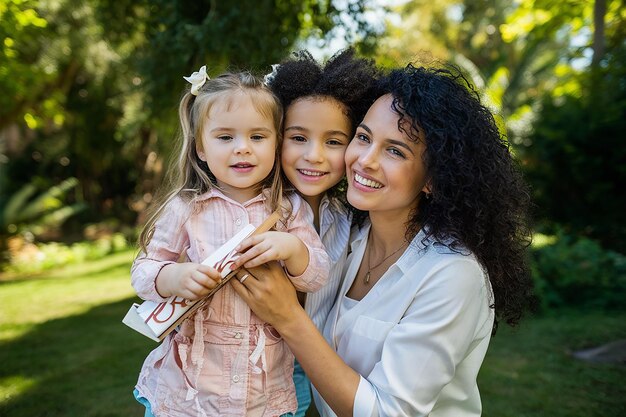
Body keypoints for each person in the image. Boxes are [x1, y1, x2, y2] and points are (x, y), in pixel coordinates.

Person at [232, 64, 535, 416]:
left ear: (434, 178)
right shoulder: (347, 236)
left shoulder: (452, 275)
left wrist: (288, 317)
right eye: (363, 137)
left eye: (395, 151)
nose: (365, 160)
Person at [130, 67, 329, 417]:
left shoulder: (287, 209)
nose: (242, 149)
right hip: (190, 391)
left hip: (262, 393)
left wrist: (293, 248)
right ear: (201, 149)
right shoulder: (186, 208)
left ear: (276, 143)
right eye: (225, 137)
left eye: (257, 136)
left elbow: (317, 275)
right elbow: (143, 271)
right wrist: (172, 278)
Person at [245, 48, 379, 416]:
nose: (314, 156)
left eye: (333, 142)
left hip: (313, 372)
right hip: (248, 376)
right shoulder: (258, 211)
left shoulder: (348, 217)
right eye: (298, 137)